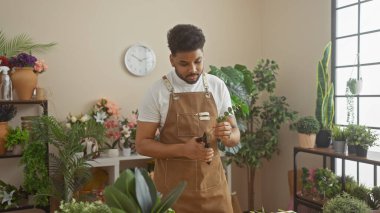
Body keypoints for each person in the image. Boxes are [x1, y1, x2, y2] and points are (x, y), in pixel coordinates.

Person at [136, 24, 240, 213]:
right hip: (172, 196)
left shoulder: (217, 86)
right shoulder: (157, 91)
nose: (193, 69)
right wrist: (184, 149)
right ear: (172, 60)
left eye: (198, 61)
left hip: (214, 189)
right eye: (184, 63)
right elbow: (142, 144)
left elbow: (235, 135)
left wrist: (228, 135)